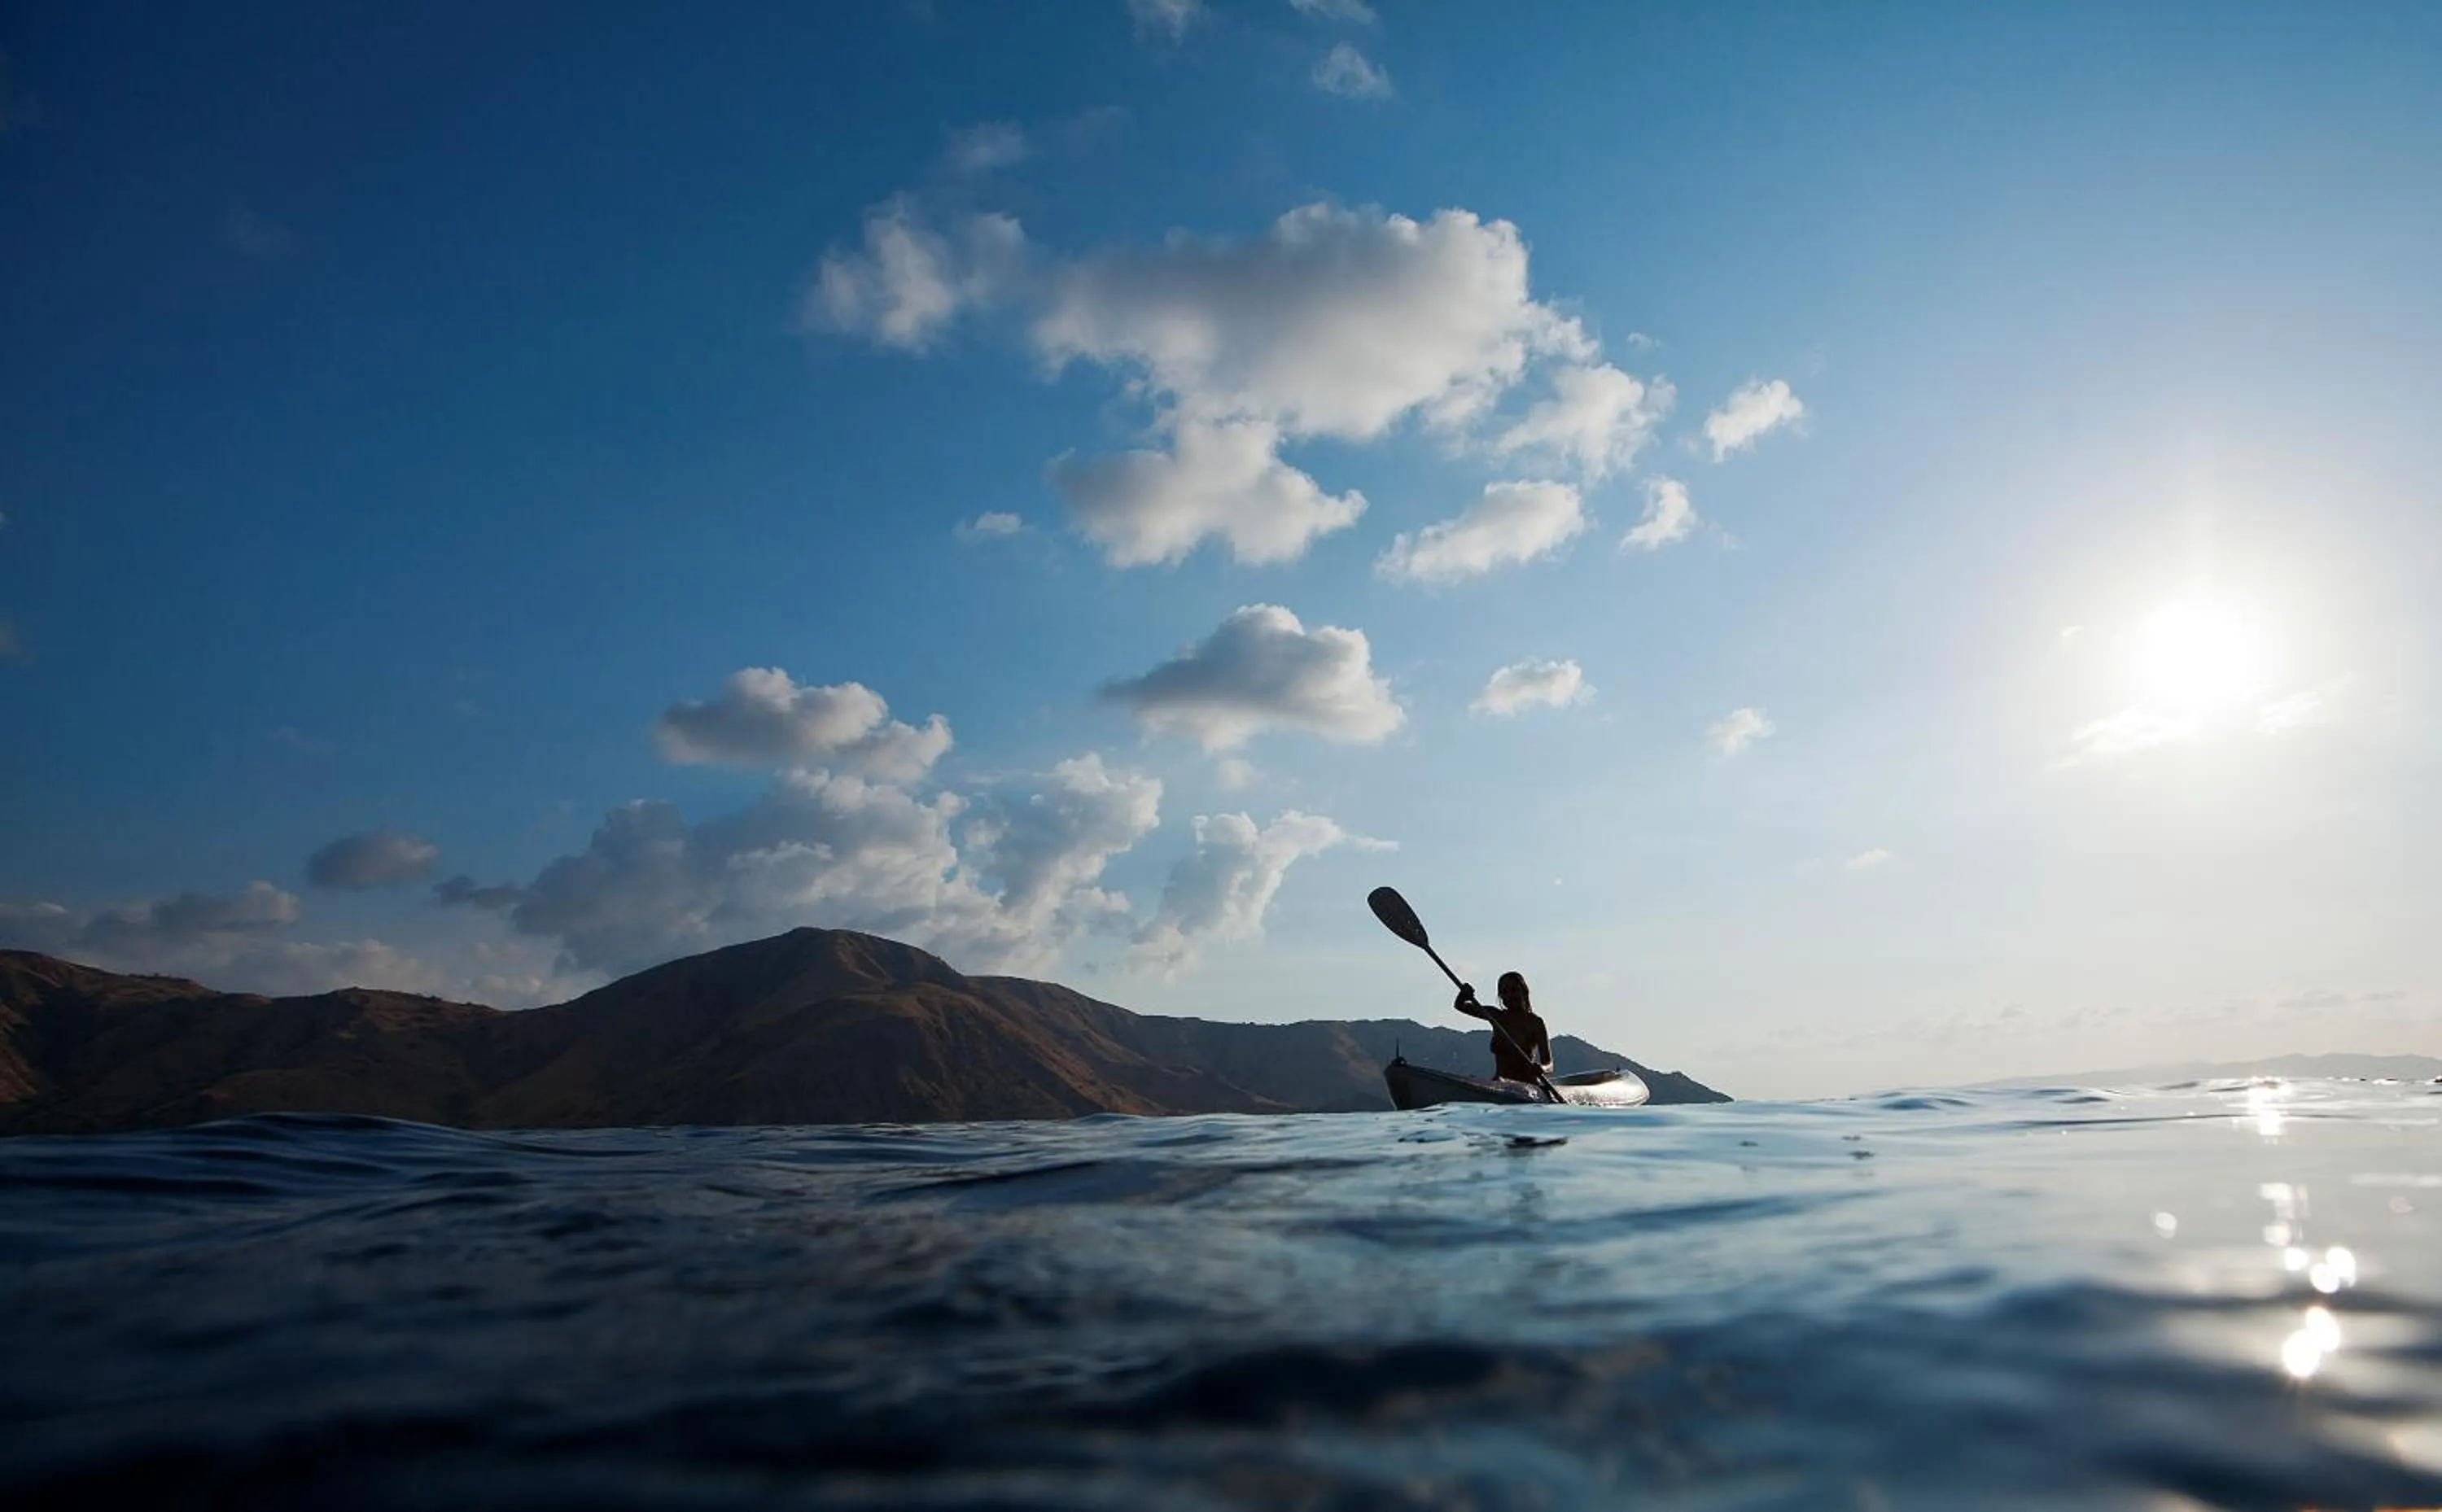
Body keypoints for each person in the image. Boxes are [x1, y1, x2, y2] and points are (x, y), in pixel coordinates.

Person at [1454, 971, 1552, 1088]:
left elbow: (1549, 1065)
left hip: (1527, 1088)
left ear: (1524, 992)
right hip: (1500, 1084)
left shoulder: (1535, 1023)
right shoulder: (1496, 1016)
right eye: (1505, 992)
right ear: (1501, 997)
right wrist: (1464, 994)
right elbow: (1460, 1006)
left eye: (1514, 990)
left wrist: (1542, 1068)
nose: (1510, 995)